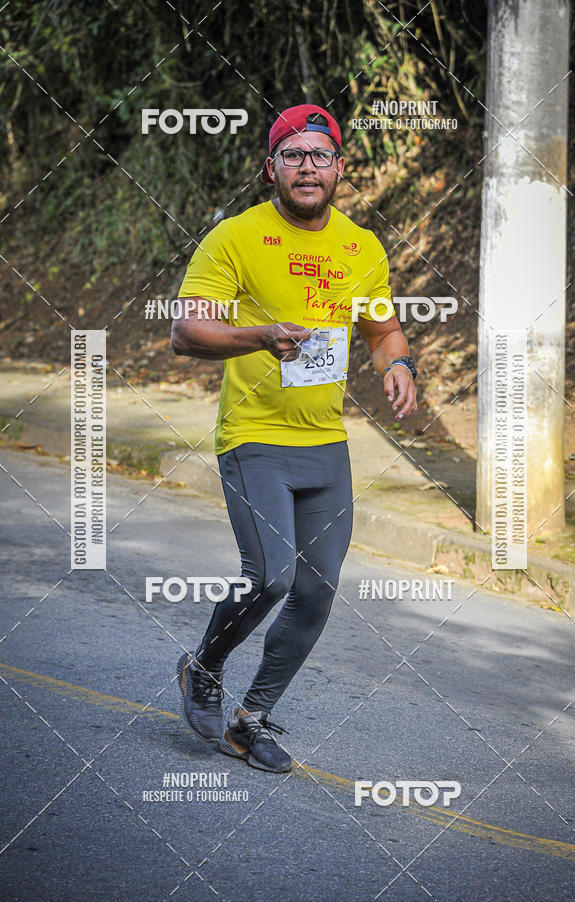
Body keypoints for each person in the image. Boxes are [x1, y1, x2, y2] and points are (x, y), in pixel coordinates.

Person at [172, 103, 417, 773]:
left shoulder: (361, 247)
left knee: (317, 589)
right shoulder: (235, 238)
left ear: (340, 168)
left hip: (324, 443)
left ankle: (251, 720)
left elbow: (381, 329)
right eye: (293, 155)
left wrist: (397, 365)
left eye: (319, 156)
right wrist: (260, 335)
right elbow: (186, 332)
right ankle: (204, 666)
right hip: (253, 435)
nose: (307, 167)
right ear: (270, 168)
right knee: (272, 578)